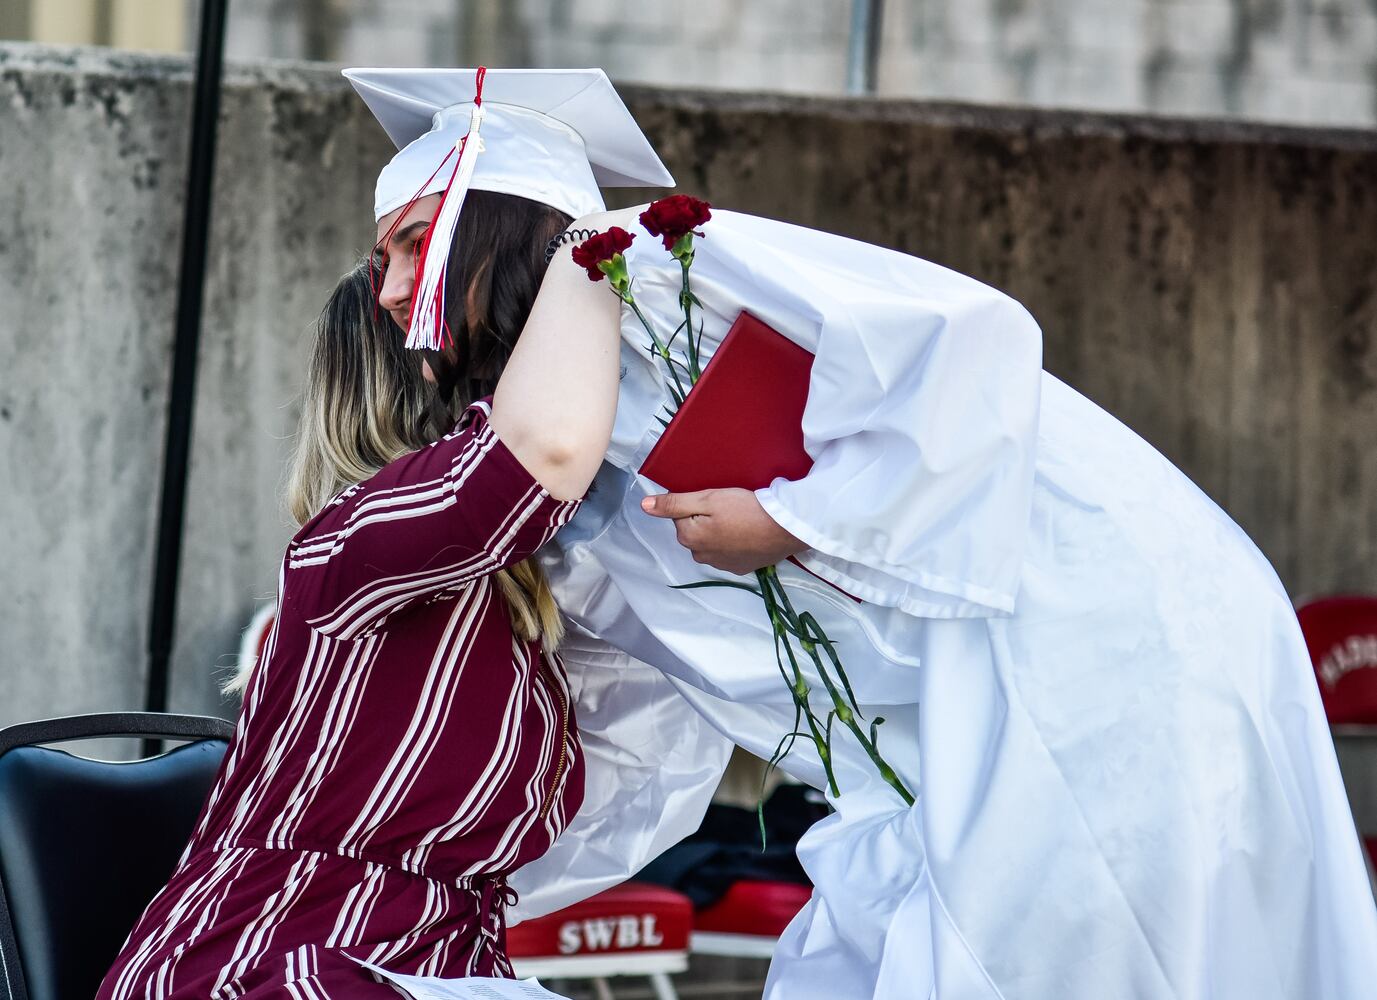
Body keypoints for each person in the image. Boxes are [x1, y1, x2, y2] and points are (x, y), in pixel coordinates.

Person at [349, 66, 1377, 999]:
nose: (391, 291)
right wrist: (436, 885)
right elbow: (631, 739)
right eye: (378, 258)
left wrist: (793, 519)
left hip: (1106, 643)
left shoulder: (653, 274)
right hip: (939, 759)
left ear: (495, 223)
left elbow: (973, 346)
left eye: (412, 241)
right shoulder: (556, 480)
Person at [97, 200, 624, 994]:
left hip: (428, 968)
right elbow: (538, 450)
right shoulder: (349, 545)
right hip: (269, 962)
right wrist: (596, 244)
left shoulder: (509, 604)